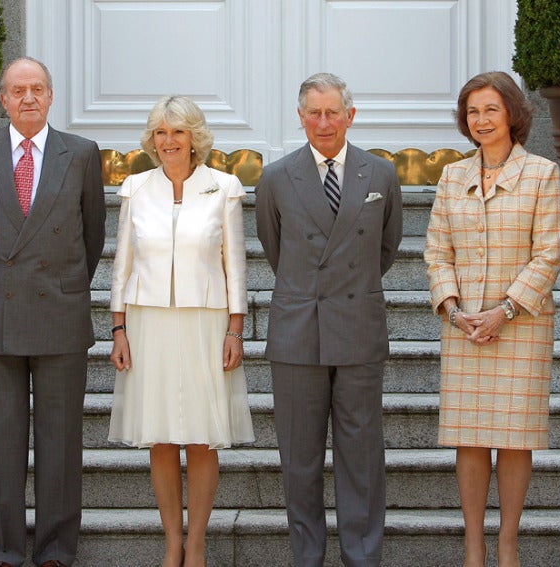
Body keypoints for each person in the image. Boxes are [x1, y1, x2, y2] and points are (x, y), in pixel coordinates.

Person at [0, 57, 106, 567]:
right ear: (2, 99)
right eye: (17, 90)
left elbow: (93, 234)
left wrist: (64, 287)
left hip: (60, 312)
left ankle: (57, 549)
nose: (28, 98)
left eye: (37, 89)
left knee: (61, 440)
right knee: (3, 437)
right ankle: (3, 549)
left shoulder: (81, 153)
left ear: (51, 95)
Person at [255, 72, 403, 567]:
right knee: (299, 461)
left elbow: (385, 248)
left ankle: (362, 558)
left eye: (332, 112)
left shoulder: (380, 175)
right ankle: (308, 558)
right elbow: (277, 251)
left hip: (358, 329)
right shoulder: (275, 177)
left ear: (349, 116)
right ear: (300, 118)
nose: (323, 122)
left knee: (361, 458)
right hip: (298, 333)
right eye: (313, 113)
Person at [424, 71, 560, 567]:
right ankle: (473, 545)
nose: (481, 120)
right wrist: (454, 308)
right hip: (464, 328)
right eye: (472, 112)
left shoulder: (542, 174)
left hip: (519, 326)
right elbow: (436, 252)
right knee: (469, 435)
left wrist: (504, 310)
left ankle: (507, 542)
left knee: (513, 437)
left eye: (490, 109)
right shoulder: (450, 176)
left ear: (512, 113)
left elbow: (548, 253)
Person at [107, 95, 254, 567]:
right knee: (162, 435)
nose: (168, 141)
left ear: (195, 138)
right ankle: (173, 542)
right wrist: (118, 328)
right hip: (147, 320)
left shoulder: (224, 187)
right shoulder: (135, 187)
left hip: (206, 321)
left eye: (178, 132)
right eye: (160, 132)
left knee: (201, 434)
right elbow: (121, 261)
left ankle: (198, 543)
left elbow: (236, 263)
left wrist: (236, 329)